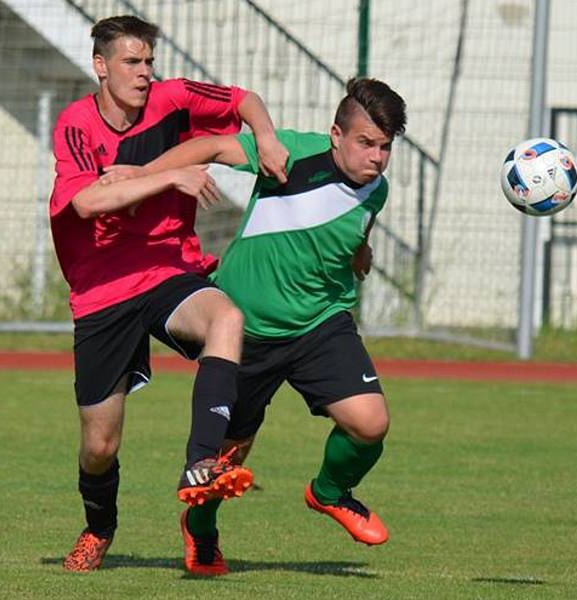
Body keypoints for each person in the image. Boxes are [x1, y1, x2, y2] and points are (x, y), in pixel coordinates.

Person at [105, 77, 407, 576]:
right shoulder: (289, 154)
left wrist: (360, 251)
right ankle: (200, 530)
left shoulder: (378, 189)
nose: (375, 156)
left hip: (321, 322)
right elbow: (212, 146)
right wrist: (142, 173)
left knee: (371, 424)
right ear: (336, 135)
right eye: (365, 143)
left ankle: (330, 491)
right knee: (226, 458)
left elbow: (355, 224)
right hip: (245, 330)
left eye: (385, 147)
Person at [49, 15, 288, 573]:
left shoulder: (175, 98)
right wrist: (170, 176)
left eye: (149, 61)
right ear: (101, 67)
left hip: (167, 269)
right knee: (100, 445)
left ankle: (202, 462)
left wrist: (267, 136)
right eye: (131, 62)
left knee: (226, 318)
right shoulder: (76, 124)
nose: (144, 72)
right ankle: (98, 528)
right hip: (102, 288)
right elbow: (86, 204)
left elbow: (244, 100)